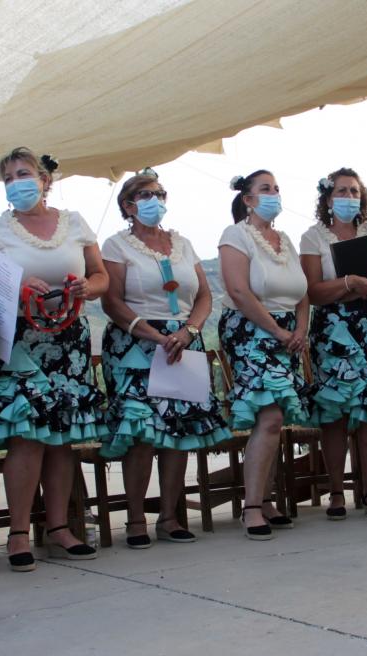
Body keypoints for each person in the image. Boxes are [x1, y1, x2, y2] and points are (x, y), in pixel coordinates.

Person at [0, 148, 108, 570]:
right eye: (8, 177)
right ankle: (18, 533)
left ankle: (60, 527)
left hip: (68, 337)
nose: (16, 182)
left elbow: (101, 276)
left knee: (62, 434)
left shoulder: (76, 223)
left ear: (45, 180)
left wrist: (87, 287)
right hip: (18, 341)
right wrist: (11, 284)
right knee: (26, 435)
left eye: (23, 173)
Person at [99, 168, 230, 548]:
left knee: (179, 429)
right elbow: (112, 301)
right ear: (128, 205)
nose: (154, 201)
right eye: (144, 195)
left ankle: (170, 517)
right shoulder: (116, 246)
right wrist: (153, 335)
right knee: (141, 432)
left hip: (182, 341)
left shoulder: (183, 243)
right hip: (136, 343)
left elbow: (203, 295)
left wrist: (189, 330)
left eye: (159, 193)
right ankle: (137, 518)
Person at [299, 168, 367, 520]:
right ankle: (337, 492)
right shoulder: (313, 237)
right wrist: (348, 282)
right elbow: (312, 291)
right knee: (335, 414)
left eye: (354, 191)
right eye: (341, 191)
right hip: (333, 334)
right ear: (328, 199)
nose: (348, 197)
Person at [219, 169, 311, 540]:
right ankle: (252, 507)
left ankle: (267, 499)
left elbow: (303, 291)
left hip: (289, 332)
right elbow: (239, 292)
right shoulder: (236, 235)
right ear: (248, 198)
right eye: (265, 188)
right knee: (269, 415)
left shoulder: (285, 239)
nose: (274, 193)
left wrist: (301, 330)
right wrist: (276, 330)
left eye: (276, 187)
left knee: (274, 420)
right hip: (251, 331)